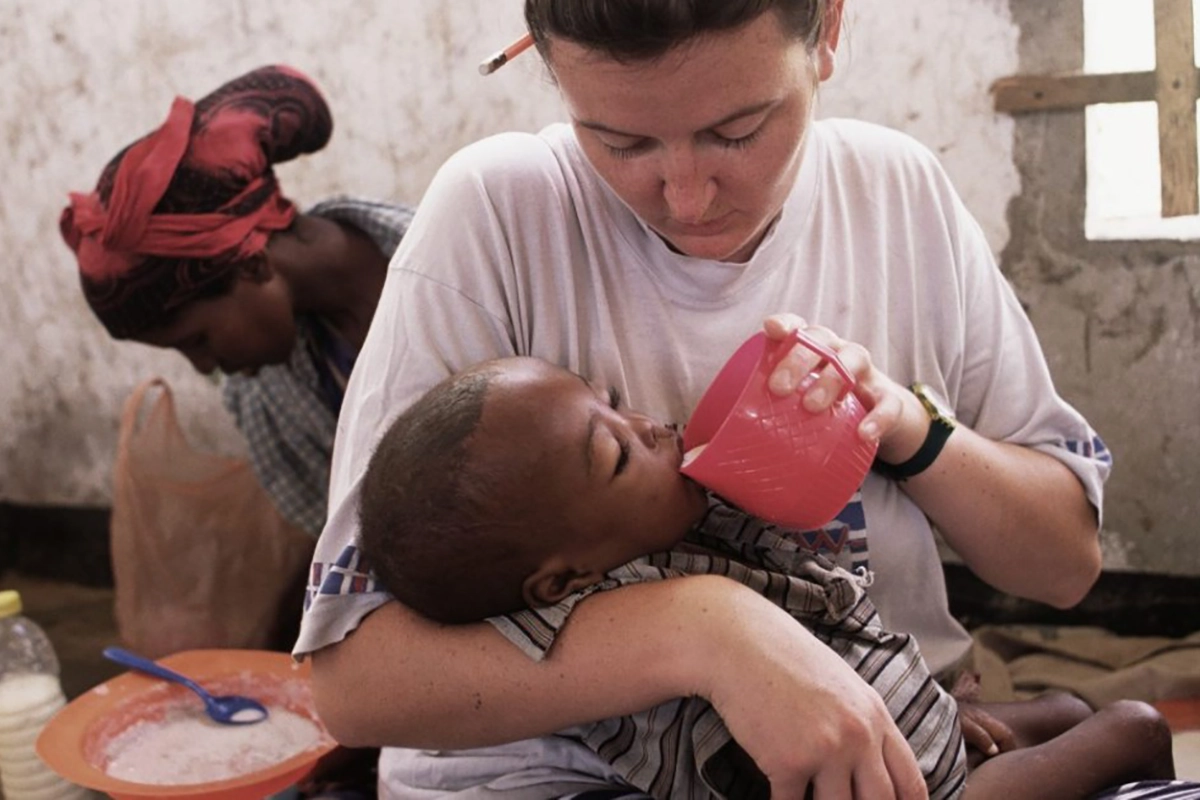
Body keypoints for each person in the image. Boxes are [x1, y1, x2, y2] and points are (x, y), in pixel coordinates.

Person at [294, 2, 1161, 797]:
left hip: (896, 723)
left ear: (826, 31)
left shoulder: (896, 194)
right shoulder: (498, 210)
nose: (687, 194)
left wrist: (903, 424)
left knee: (1091, 730)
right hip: (554, 779)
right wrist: (710, 633)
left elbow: (1063, 566)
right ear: (551, 72)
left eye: (738, 130)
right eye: (620, 143)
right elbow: (354, 685)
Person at [353, 355, 1176, 799]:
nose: (648, 422)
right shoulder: (633, 670)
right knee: (1136, 725)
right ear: (559, 579)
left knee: (1068, 707)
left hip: (923, 729)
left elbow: (836, 640)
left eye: (612, 403)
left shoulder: (663, 543)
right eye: (616, 452)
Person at [60, 64, 416, 541]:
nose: (207, 364)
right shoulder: (264, 401)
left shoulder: (465, 260)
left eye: (197, 340)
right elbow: (349, 543)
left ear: (251, 266)